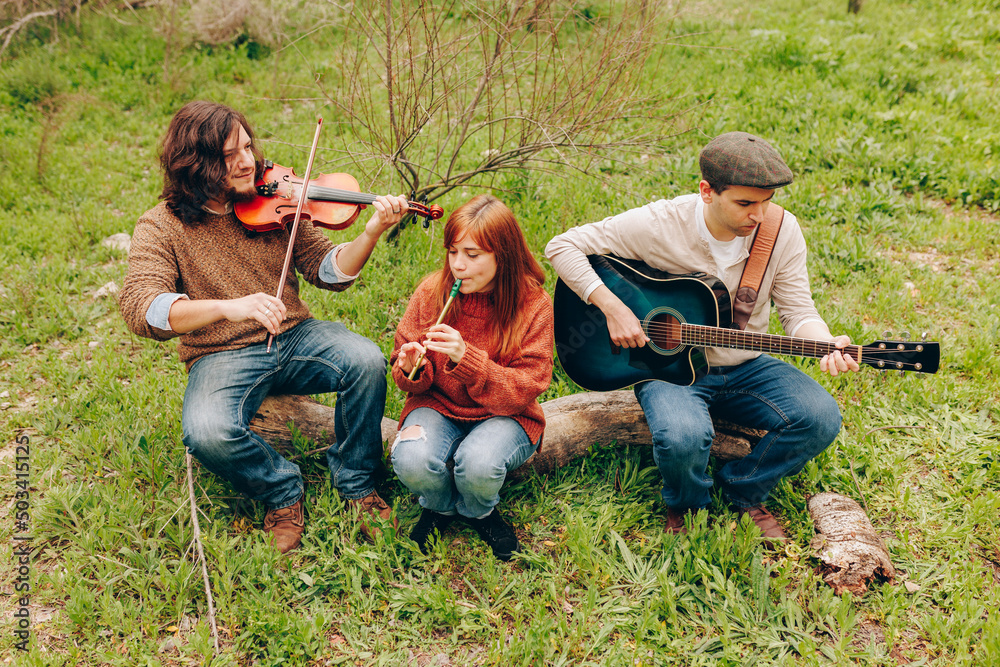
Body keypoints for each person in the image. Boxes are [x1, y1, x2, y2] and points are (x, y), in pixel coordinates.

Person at [119, 100, 410, 554]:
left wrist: (370, 232)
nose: (248, 162)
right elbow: (144, 308)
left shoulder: (276, 198)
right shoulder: (161, 226)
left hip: (294, 335)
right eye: (229, 155)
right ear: (195, 164)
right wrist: (228, 307)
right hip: (220, 355)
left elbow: (328, 271)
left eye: (249, 147)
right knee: (207, 431)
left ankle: (357, 484)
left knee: (365, 359)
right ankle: (282, 493)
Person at [545, 131, 859, 545]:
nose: (759, 215)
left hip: (745, 364)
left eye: (766, 201)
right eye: (745, 203)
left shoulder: (780, 231)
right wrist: (614, 308)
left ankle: (744, 489)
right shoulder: (659, 224)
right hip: (668, 367)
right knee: (682, 436)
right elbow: (562, 245)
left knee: (821, 417)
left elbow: (798, 311)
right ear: (706, 191)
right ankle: (687, 503)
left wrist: (824, 342)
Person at [390, 195, 554, 560]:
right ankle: (440, 506)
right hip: (437, 405)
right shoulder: (432, 292)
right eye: (452, 252)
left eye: (472, 254)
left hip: (506, 415)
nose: (459, 265)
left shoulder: (534, 305)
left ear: (503, 254)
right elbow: (408, 379)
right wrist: (410, 365)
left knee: (478, 464)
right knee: (411, 460)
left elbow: (527, 386)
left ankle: (479, 510)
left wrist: (467, 358)